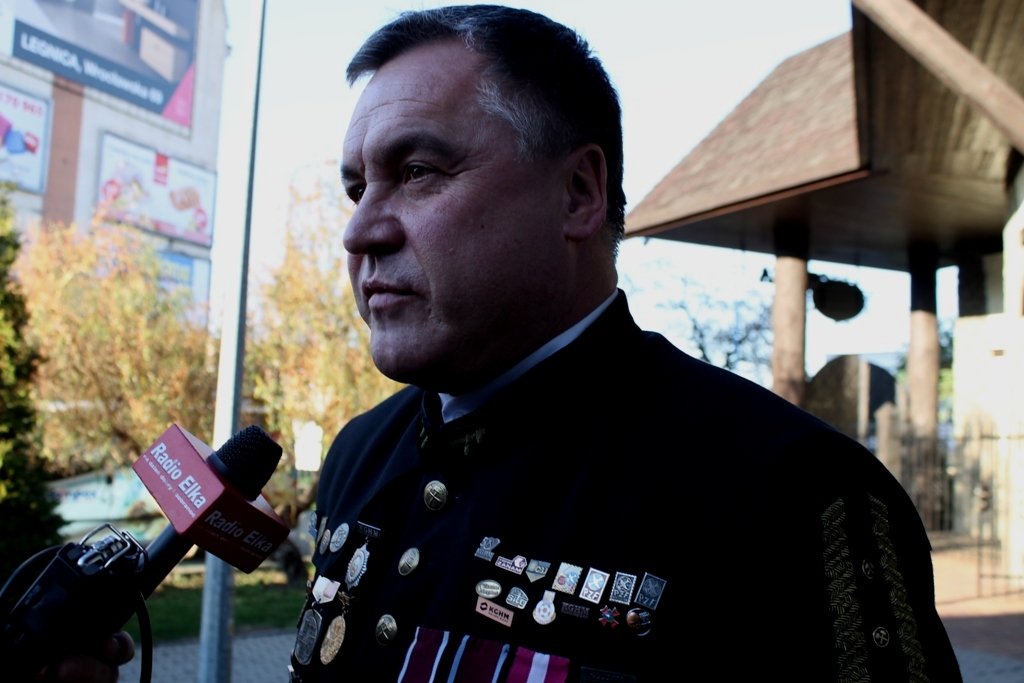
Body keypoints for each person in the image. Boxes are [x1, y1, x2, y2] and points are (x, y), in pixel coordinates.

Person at [65, 5, 961, 682]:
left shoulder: (790, 492)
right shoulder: (360, 454)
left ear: (578, 194)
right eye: (356, 187)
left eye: (418, 171)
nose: (360, 230)